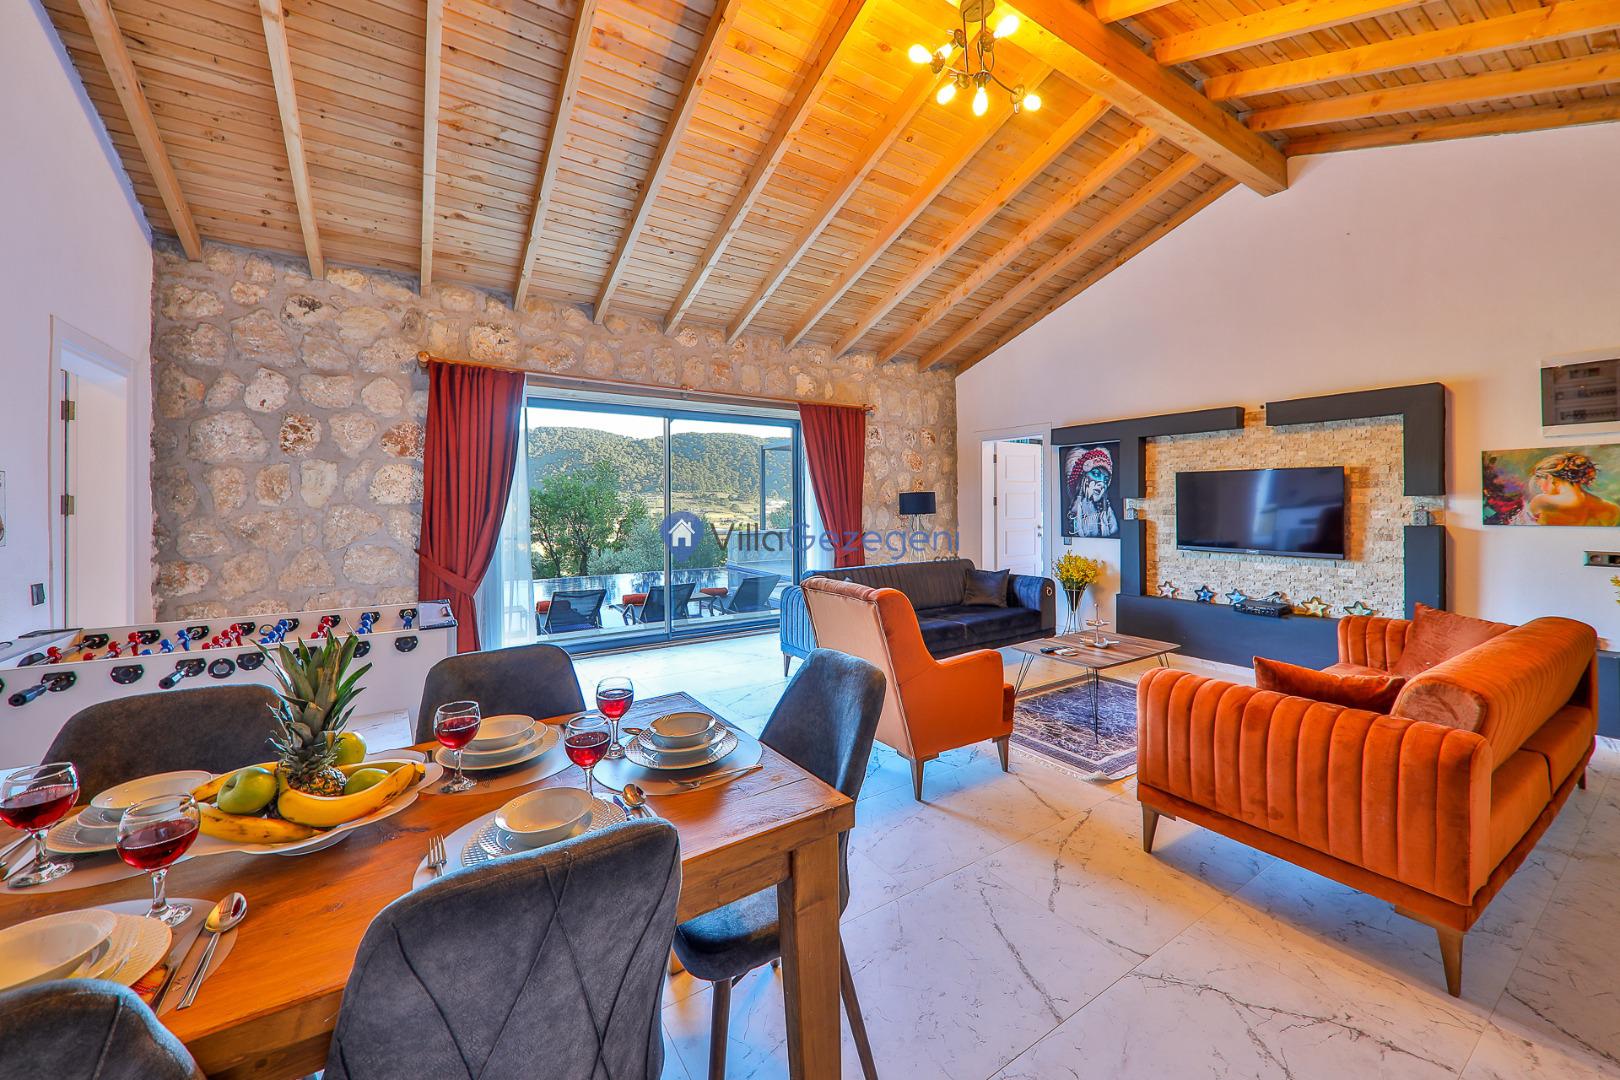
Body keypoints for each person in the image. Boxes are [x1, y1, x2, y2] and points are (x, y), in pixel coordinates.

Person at [1516, 451, 1620, 526]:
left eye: (1540, 484)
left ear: (1549, 478)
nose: (1542, 489)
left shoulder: (1541, 501)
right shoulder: (1612, 509)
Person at [1066, 446, 1119, 538]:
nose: (1102, 483)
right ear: (1082, 477)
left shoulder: (1107, 515)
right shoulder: (1073, 511)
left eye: (1106, 480)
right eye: (1096, 474)